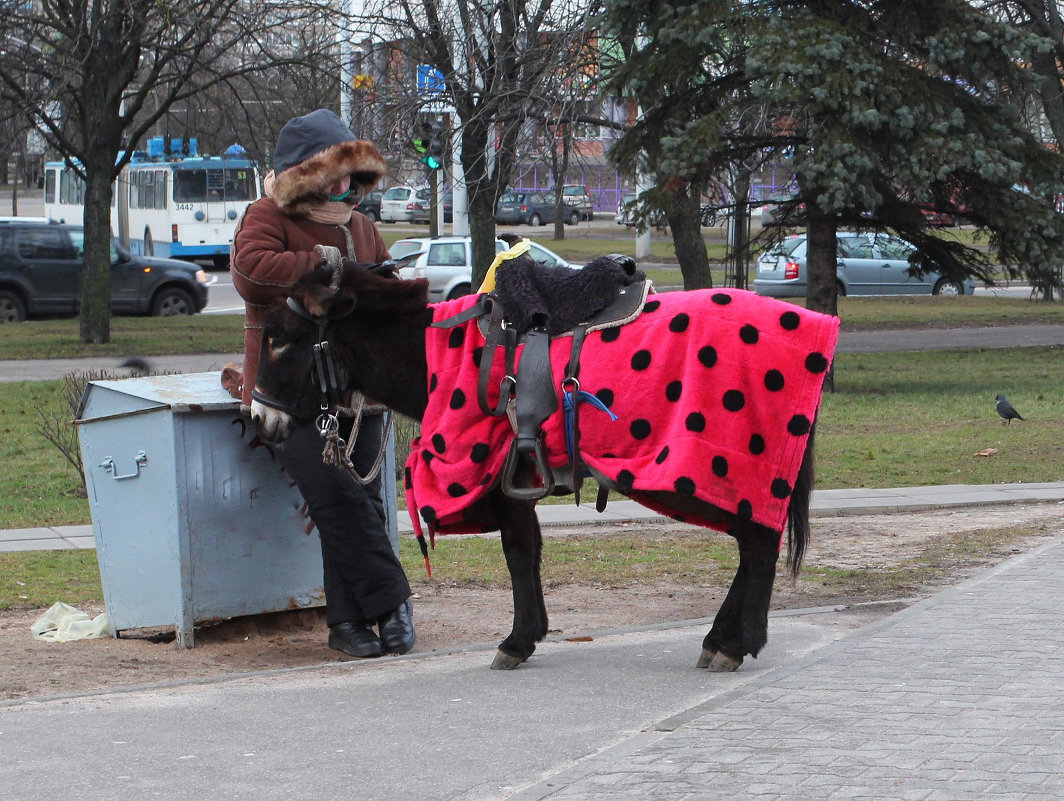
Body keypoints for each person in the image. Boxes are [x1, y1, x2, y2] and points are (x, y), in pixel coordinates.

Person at [230, 108, 415, 658]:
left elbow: (389, 295)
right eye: (332, 172)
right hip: (286, 391)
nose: (343, 184)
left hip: (356, 391)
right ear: (304, 172)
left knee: (358, 499)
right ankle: (393, 603)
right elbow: (248, 271)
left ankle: (347, 624)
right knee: (336, 496)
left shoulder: (360, 223)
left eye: (349, 171)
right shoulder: (266, 212)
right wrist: (319, 264)